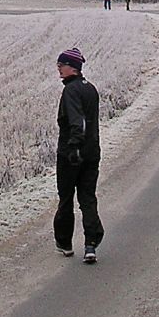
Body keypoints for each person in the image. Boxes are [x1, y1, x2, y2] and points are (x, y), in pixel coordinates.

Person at [54, 48, 103, 263]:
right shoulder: (90, 89)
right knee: (87, 198)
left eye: (61, 65)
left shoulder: (71, 91)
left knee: (66, 199)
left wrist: (73, 147)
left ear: (72, 67)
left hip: (71, 155)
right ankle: (91, 244)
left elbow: (78, 122)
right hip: (92, 153)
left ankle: (64, 243)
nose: (59, 69)